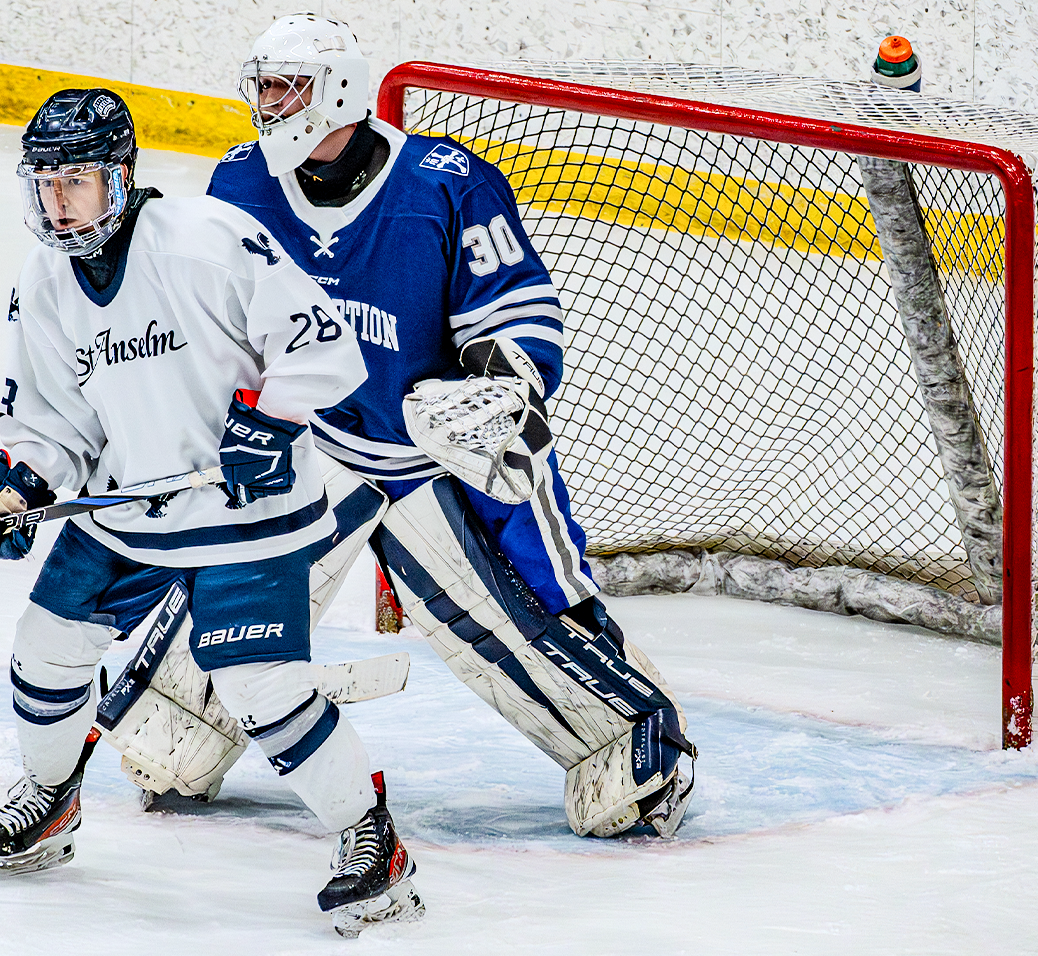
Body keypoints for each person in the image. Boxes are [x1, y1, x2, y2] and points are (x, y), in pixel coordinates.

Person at [182, 13, 697, 839]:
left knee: (535, 621)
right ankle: (184, 716)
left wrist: (496, 384)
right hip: (314, 451)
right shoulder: (239, 184)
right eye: (264, 86)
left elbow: (521, 314)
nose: (270, 104)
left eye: (289, 87)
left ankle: (638, 744)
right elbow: (215, 328)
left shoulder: (445, 185)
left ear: (340, 92)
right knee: (179, 721)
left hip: (433, 461)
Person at [0, 87, 424, 936]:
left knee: (260, 686)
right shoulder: (45, 281)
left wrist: (271, 415)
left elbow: (324, 346)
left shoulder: (208, 241)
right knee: (46, 645)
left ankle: (368, 836)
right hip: (129, 509)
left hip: (249, 509)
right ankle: (50, 799)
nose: (59, 205)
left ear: (122, 178)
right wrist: (18, 485)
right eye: (46, 185)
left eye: (78, 183)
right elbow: (53, 423)